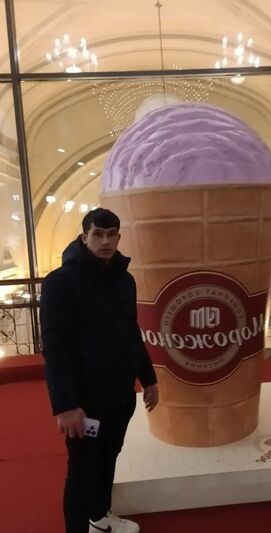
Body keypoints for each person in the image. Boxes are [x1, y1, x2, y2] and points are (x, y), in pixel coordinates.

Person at [40, 208, 158, 533]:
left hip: (120, 395)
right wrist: (65, 405)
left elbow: (131, 332)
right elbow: (55, 349)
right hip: (84, 402)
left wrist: (148, 378)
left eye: (111, 235)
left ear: (118, 237)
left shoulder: (125, 281)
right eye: (97, 234)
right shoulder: (60, 283)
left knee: (109, 456)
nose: (105, 241)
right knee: (82, 470)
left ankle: (100, 517)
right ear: (84, 237)